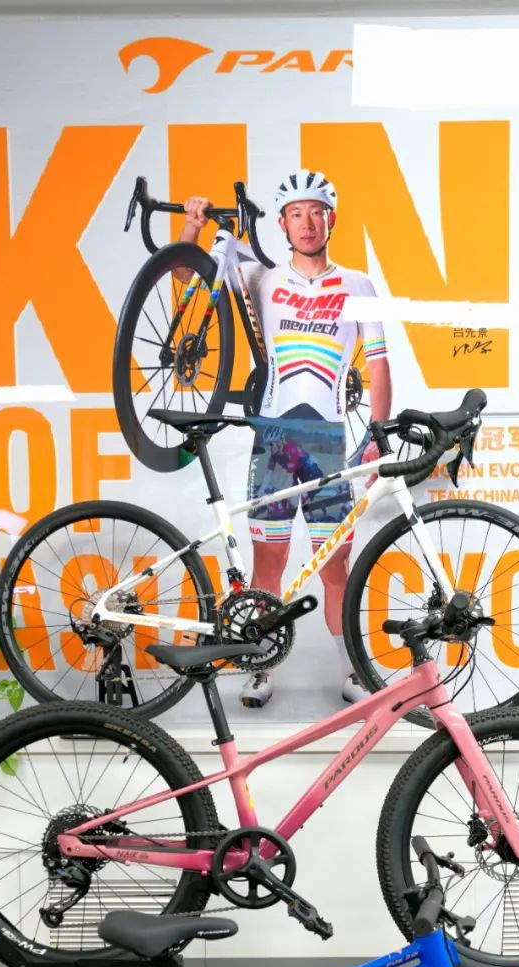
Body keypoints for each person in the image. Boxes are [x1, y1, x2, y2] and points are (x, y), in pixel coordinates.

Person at [179, 171, 392, 708]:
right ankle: (262, 667)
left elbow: (378, 365)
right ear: (281, 223)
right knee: (267, 566)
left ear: (331, 219)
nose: (307, 223)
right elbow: (188, 279)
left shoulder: (359, 286)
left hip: (327, 442)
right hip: (274, 439)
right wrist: (192, 227)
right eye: (296, 213)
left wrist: (376, 435)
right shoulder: (261, 278)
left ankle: (354, 671)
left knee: (337, 567)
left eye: (316, 212)